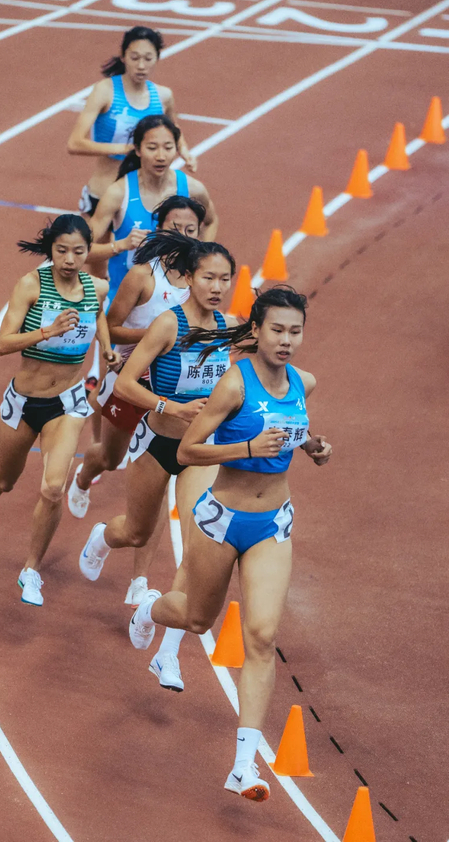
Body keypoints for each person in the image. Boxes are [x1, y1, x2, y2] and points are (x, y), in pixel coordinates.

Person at [127, 287, 332, 801]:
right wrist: (246, 447)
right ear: (257, 331)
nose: (286, 340)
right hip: (222, 520)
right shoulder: (233, 385)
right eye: (277, 330)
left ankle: (244, 765)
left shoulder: (303, 382)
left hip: (273, 524)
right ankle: (150, 609)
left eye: (295, 331)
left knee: (261, 637)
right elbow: (189, 450)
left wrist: (313, 445)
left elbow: (293, 426)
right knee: (197, 619)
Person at [78, 233, 236, 692]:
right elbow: (127, 383)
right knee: (136, 532)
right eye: (208, 277)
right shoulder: (168, 324)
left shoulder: (227, 328)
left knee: (197, 543)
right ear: (188, 277)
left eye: (225, 279)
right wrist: (170, 407)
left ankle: (167, 654)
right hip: (156, 443)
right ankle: (102, 537)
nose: (217, 287)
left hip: (198, 452)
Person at [0, 214, 121, 607]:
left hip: (68, 403)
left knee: (53, 488)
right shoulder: (31, 285)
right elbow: (3, 344)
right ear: (50, 249)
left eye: (78, 252)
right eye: (61, 251)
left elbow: (98, 316)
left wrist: (106, 347)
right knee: (5, 480)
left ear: (89, 252)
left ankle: (31, 570)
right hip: (24, 402)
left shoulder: (96, 287)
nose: (69, 259)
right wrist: (46, 332)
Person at [68, 196, 207, 608]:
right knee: (110, 458)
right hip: (129, 382)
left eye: (191, 229)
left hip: (171, 394)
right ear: (159, 227)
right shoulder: (143, 276)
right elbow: (110, 327)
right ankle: (84, 475)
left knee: (160, 482)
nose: (184, 236)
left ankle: (140, 579)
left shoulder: (203, 283)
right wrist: (158, 337)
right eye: (176, 228)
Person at [66, 25, 196, 220]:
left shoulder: (163, 96)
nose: (141, 66)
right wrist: (125, 149)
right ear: (123, 56)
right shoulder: (105, 91)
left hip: (142, 200)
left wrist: (184, 151)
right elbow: (74, 143)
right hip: (103, 193)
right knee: (94, 241)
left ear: (157, 58)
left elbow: (173, 129)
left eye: (148, 58)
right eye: (135, 58)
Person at [86, 114, 218, 304]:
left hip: (176, 301)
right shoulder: (118, 193)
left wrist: (201, 256)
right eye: (152, 148)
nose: (161, 156)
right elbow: (83, 250)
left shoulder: (192, 189)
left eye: (168, 147)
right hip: (125, 303)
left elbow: (211, 221)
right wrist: (120, 245)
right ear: (137, 149)